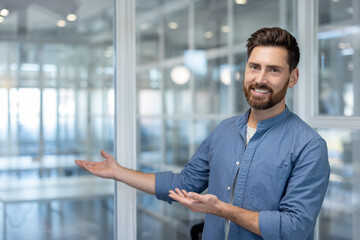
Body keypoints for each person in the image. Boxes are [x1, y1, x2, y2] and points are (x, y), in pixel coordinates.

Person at [75, 27, 330, 240]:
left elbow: (294, 228)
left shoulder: (309, 146)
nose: (260, 79)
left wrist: (221, 209)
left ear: (293, 77)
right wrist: (118, 172)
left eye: (274, 70)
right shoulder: (224, 131)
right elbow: (183, 184)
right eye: (254, 67)